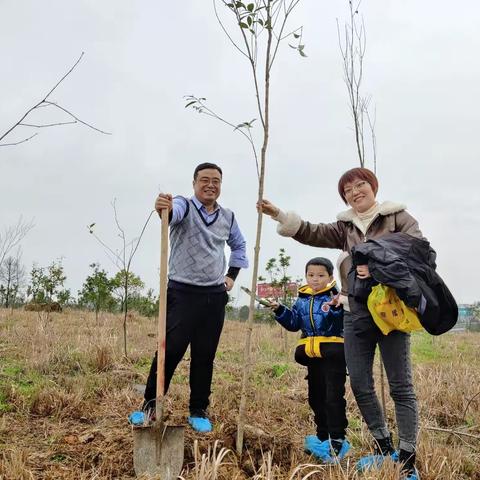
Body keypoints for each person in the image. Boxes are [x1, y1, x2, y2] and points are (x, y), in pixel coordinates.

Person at [258, 167, 421, 480]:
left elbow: (418, 251)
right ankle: (385, 449)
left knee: (401, 386)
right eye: (348, 189)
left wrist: (377, 266)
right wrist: (280, 214)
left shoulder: (397, 218)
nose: (355, 191)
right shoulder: (346, 227)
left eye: (361, 185)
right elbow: (312, 231)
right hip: (355, 312)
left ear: (373, 187)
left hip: (391, 312)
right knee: (360, 385)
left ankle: (407, 461)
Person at [143, 162, 248, 433]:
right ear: (194, 183)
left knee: (205, 355)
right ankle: (150, 405)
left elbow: (239, 245)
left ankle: (198, 409)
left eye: (216, 180)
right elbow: (171, 212)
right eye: (204, 180)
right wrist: (162, 207)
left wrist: (231, 276)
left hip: (214, 295)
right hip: (181, 292)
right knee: (171, 349)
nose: (210, 185)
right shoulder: (184, 206)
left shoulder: (228, 216)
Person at [270, 257, 350, 463]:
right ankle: (323, 436)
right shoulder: (302, 299)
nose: (315, 279)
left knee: (333, 397)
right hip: (312, 355)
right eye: (311, 275)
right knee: (316, 396)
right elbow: (295, 323)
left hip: (333, 354)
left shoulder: (337, 297)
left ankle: (338, 439)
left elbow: (338, 321)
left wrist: (334, 308)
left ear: (331, 277)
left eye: (321, 275)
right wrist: (280, 310)